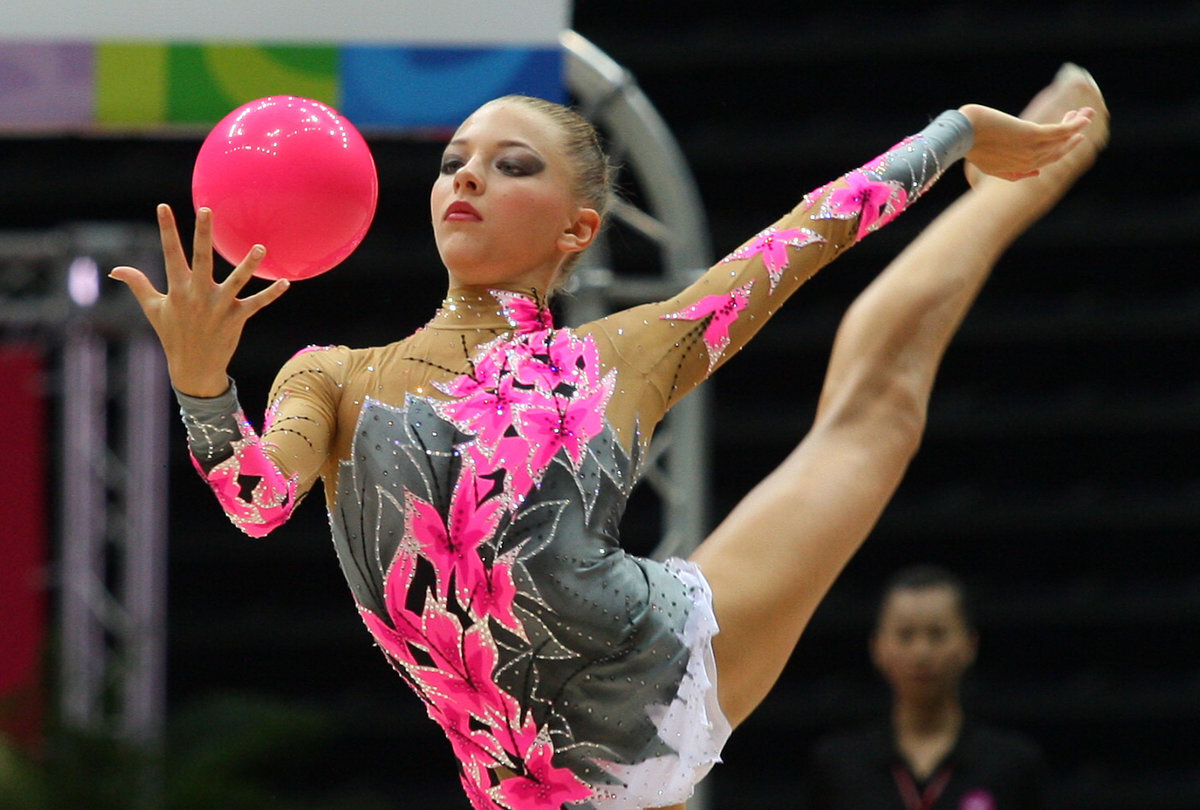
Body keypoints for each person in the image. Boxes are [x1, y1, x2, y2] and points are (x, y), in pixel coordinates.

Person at [111, 61, 1106, 810]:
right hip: (513, 778)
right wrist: (205, 388)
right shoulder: (329, 377)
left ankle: (1018, 193)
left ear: (577, 229)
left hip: (661, 676)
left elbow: (809, 234)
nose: (467, 179)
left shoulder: (624, 355)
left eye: (510, 166)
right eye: (455, 162)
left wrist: (958, 129)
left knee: (872, 416)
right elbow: (256, 502)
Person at [803, 565, 1047, 809]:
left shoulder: (1011, 764)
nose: (922, 653)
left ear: (970, 644)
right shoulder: (840, 764)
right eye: (905, 635)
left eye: (937, 634)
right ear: (877, 646)